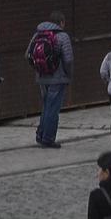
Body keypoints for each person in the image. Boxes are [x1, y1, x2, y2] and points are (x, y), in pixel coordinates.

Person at [28, 11, 74, 149]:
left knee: (46, 106)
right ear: (61, 22)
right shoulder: (63, 37)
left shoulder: (38, 34)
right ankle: (48, 139)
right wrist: (68, 74)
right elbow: (68, 59)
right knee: (52, 109)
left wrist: (39, 68)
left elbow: (27, 55)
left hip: (42, 78)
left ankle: (40, 134)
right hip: (58, 79)